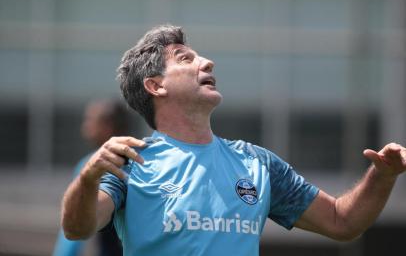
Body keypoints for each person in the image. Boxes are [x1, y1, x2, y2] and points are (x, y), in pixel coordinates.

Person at [60, 25, 406, 256]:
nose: (207, 62)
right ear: (156, 86)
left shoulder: (258, 163)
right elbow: (78, 229)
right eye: (186, 58)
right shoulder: (129, 160)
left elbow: (340, 222)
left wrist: (383, 175)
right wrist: (88, 178)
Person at [54, 99, 128, 256]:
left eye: (90, 121)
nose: (85, 127)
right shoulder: (142, 160)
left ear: (108, 126)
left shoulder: (90, 167)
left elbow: (70, 240)